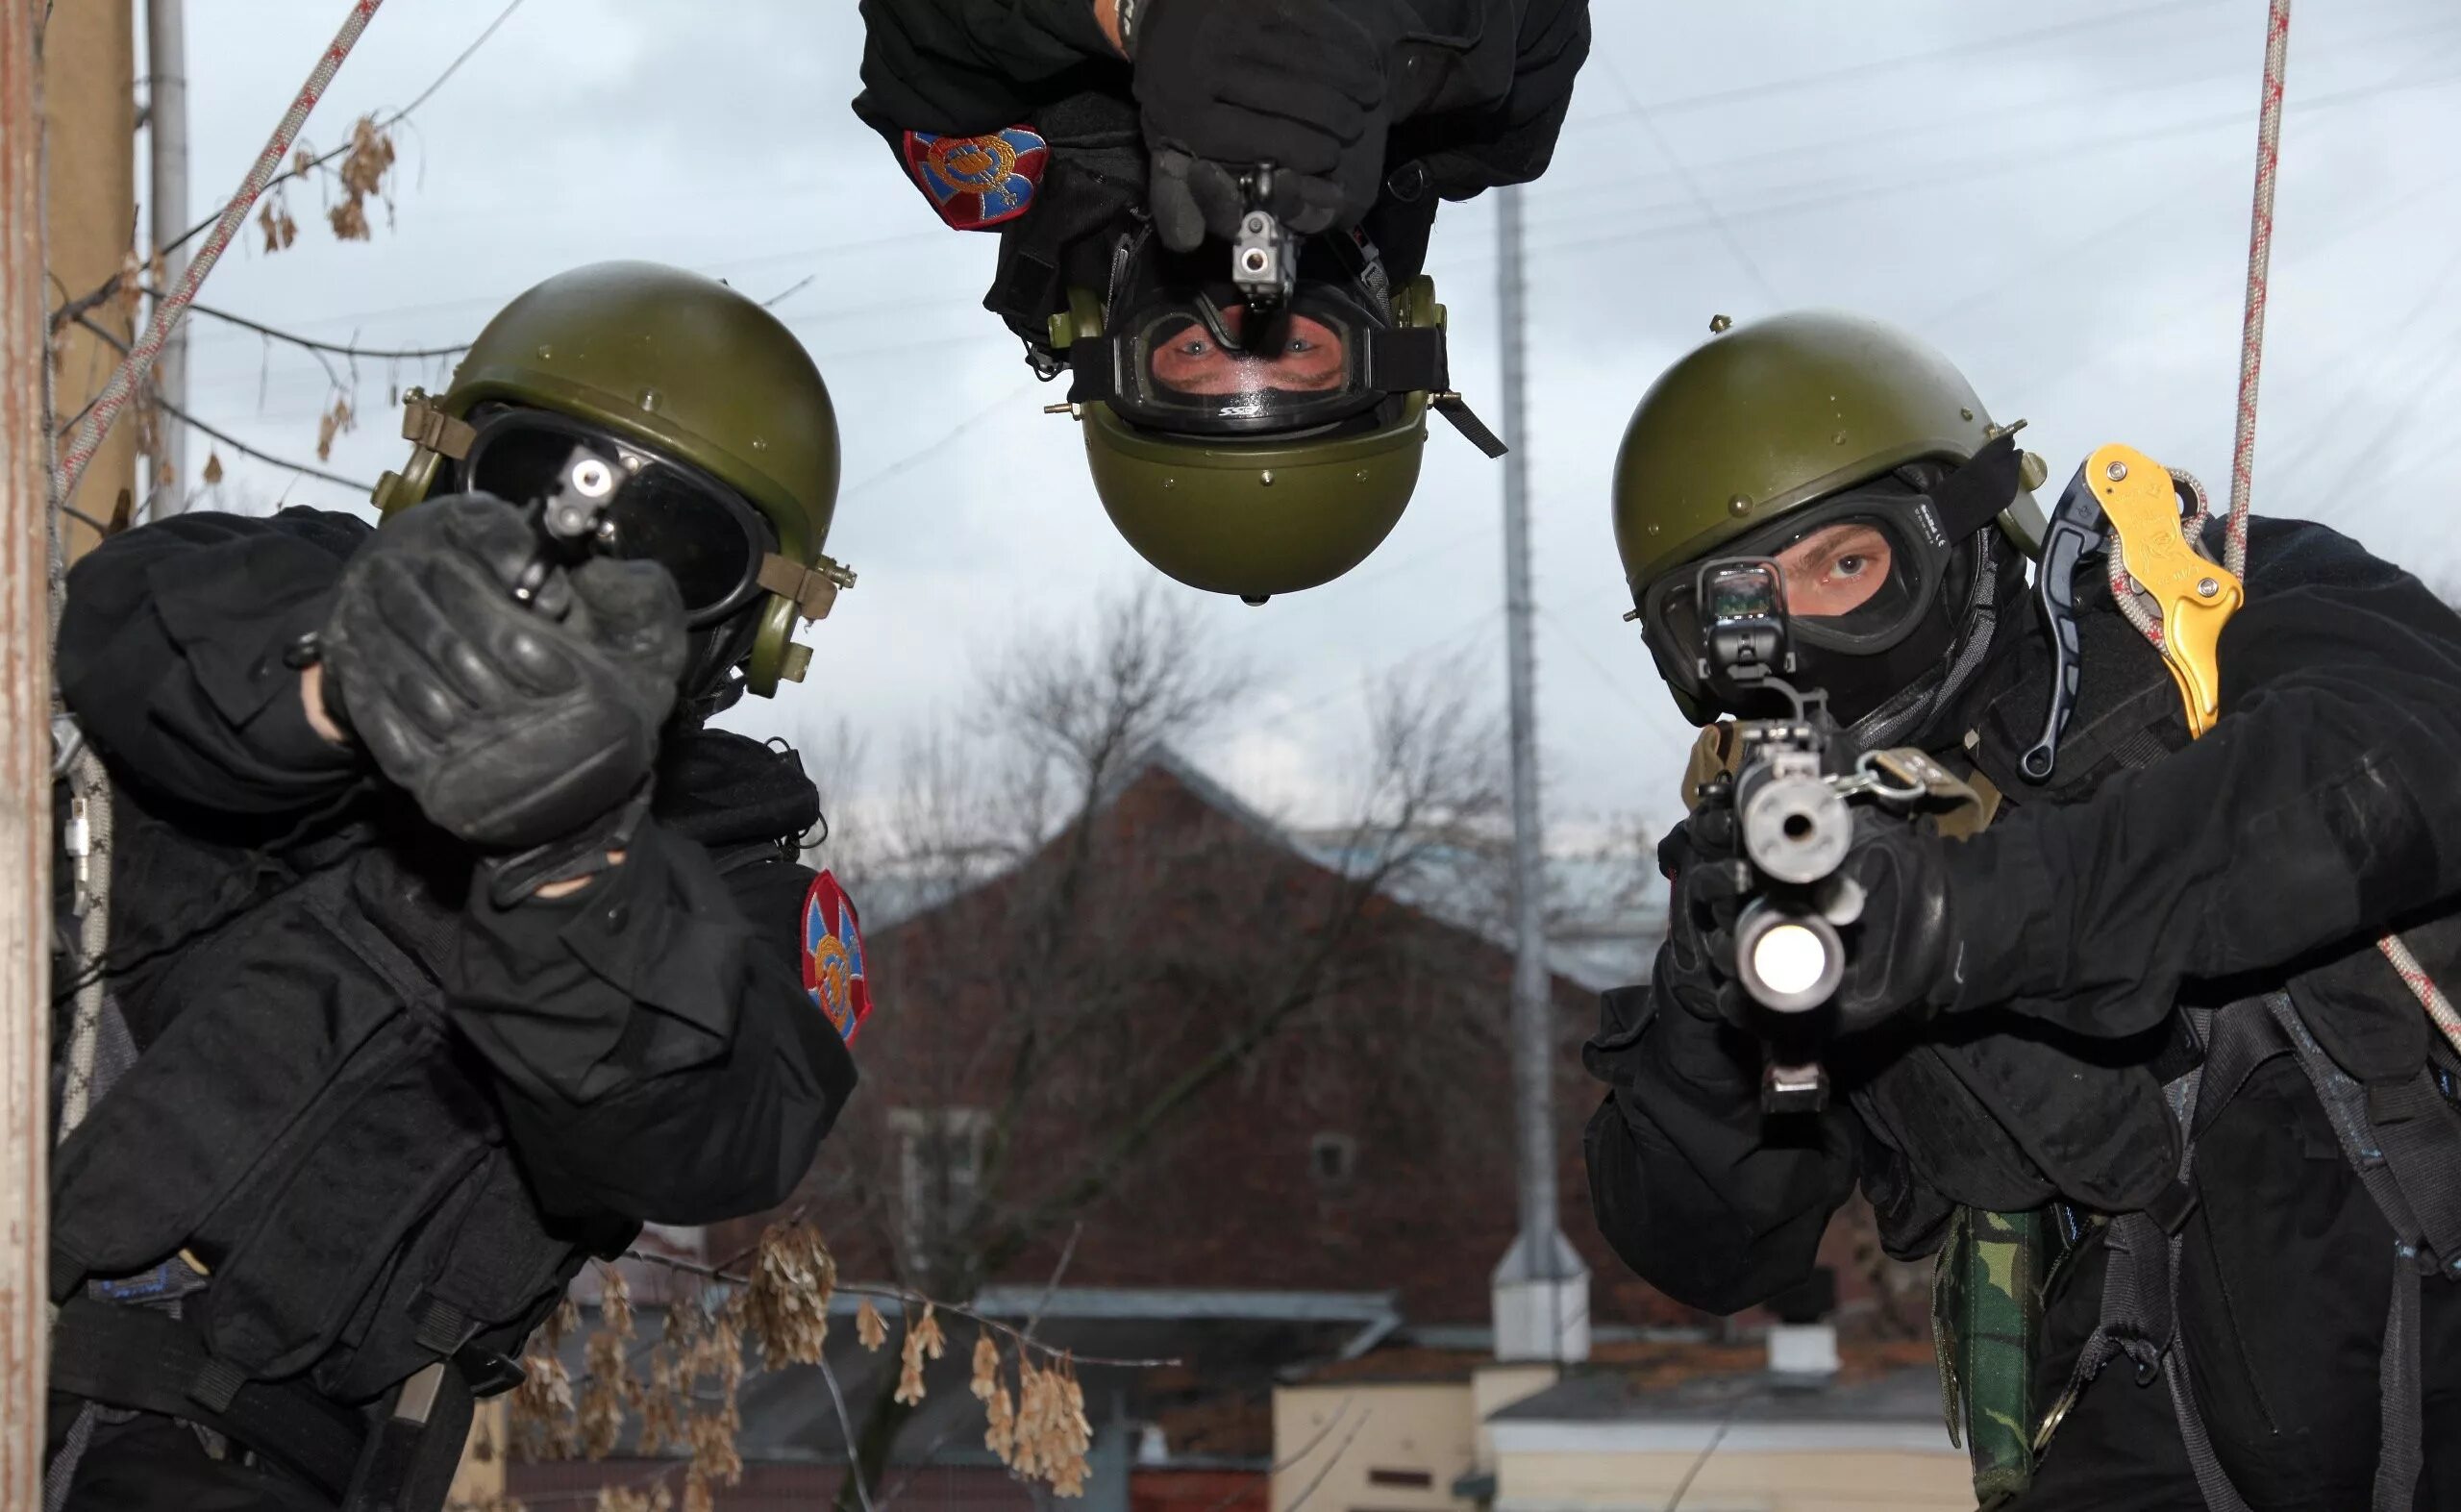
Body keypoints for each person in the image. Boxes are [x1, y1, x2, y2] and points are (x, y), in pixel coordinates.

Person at [1582, 310, 2461, 1510]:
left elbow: (2396, 769)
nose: (1801, 637)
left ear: (1959, 525)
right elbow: (1706, 1247)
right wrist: (1709, 1007)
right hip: (2134, 1417)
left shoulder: (2197, 607)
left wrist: (1952, 919)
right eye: (1740, 610)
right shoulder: (1776, 860)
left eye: (1846, 564)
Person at [44, 260, 873, 1512]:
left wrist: (570, 860)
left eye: (673, 550)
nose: (580, 561)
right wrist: (347, 679)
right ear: (438, 478)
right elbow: (132, 635)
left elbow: (715, 1126)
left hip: (241, 1459)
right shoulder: (293, 592)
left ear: (748, 625)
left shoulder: (735, 891)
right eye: (537, 483)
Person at [853, 0, 1590, 601]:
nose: (1245, 314)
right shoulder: (1489, 121)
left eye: (1196, 353)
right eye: (1300, 350)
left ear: (1109, 342)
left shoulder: (980, 140)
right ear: (1390, 325)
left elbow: (918, 31)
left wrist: (1138, 15)